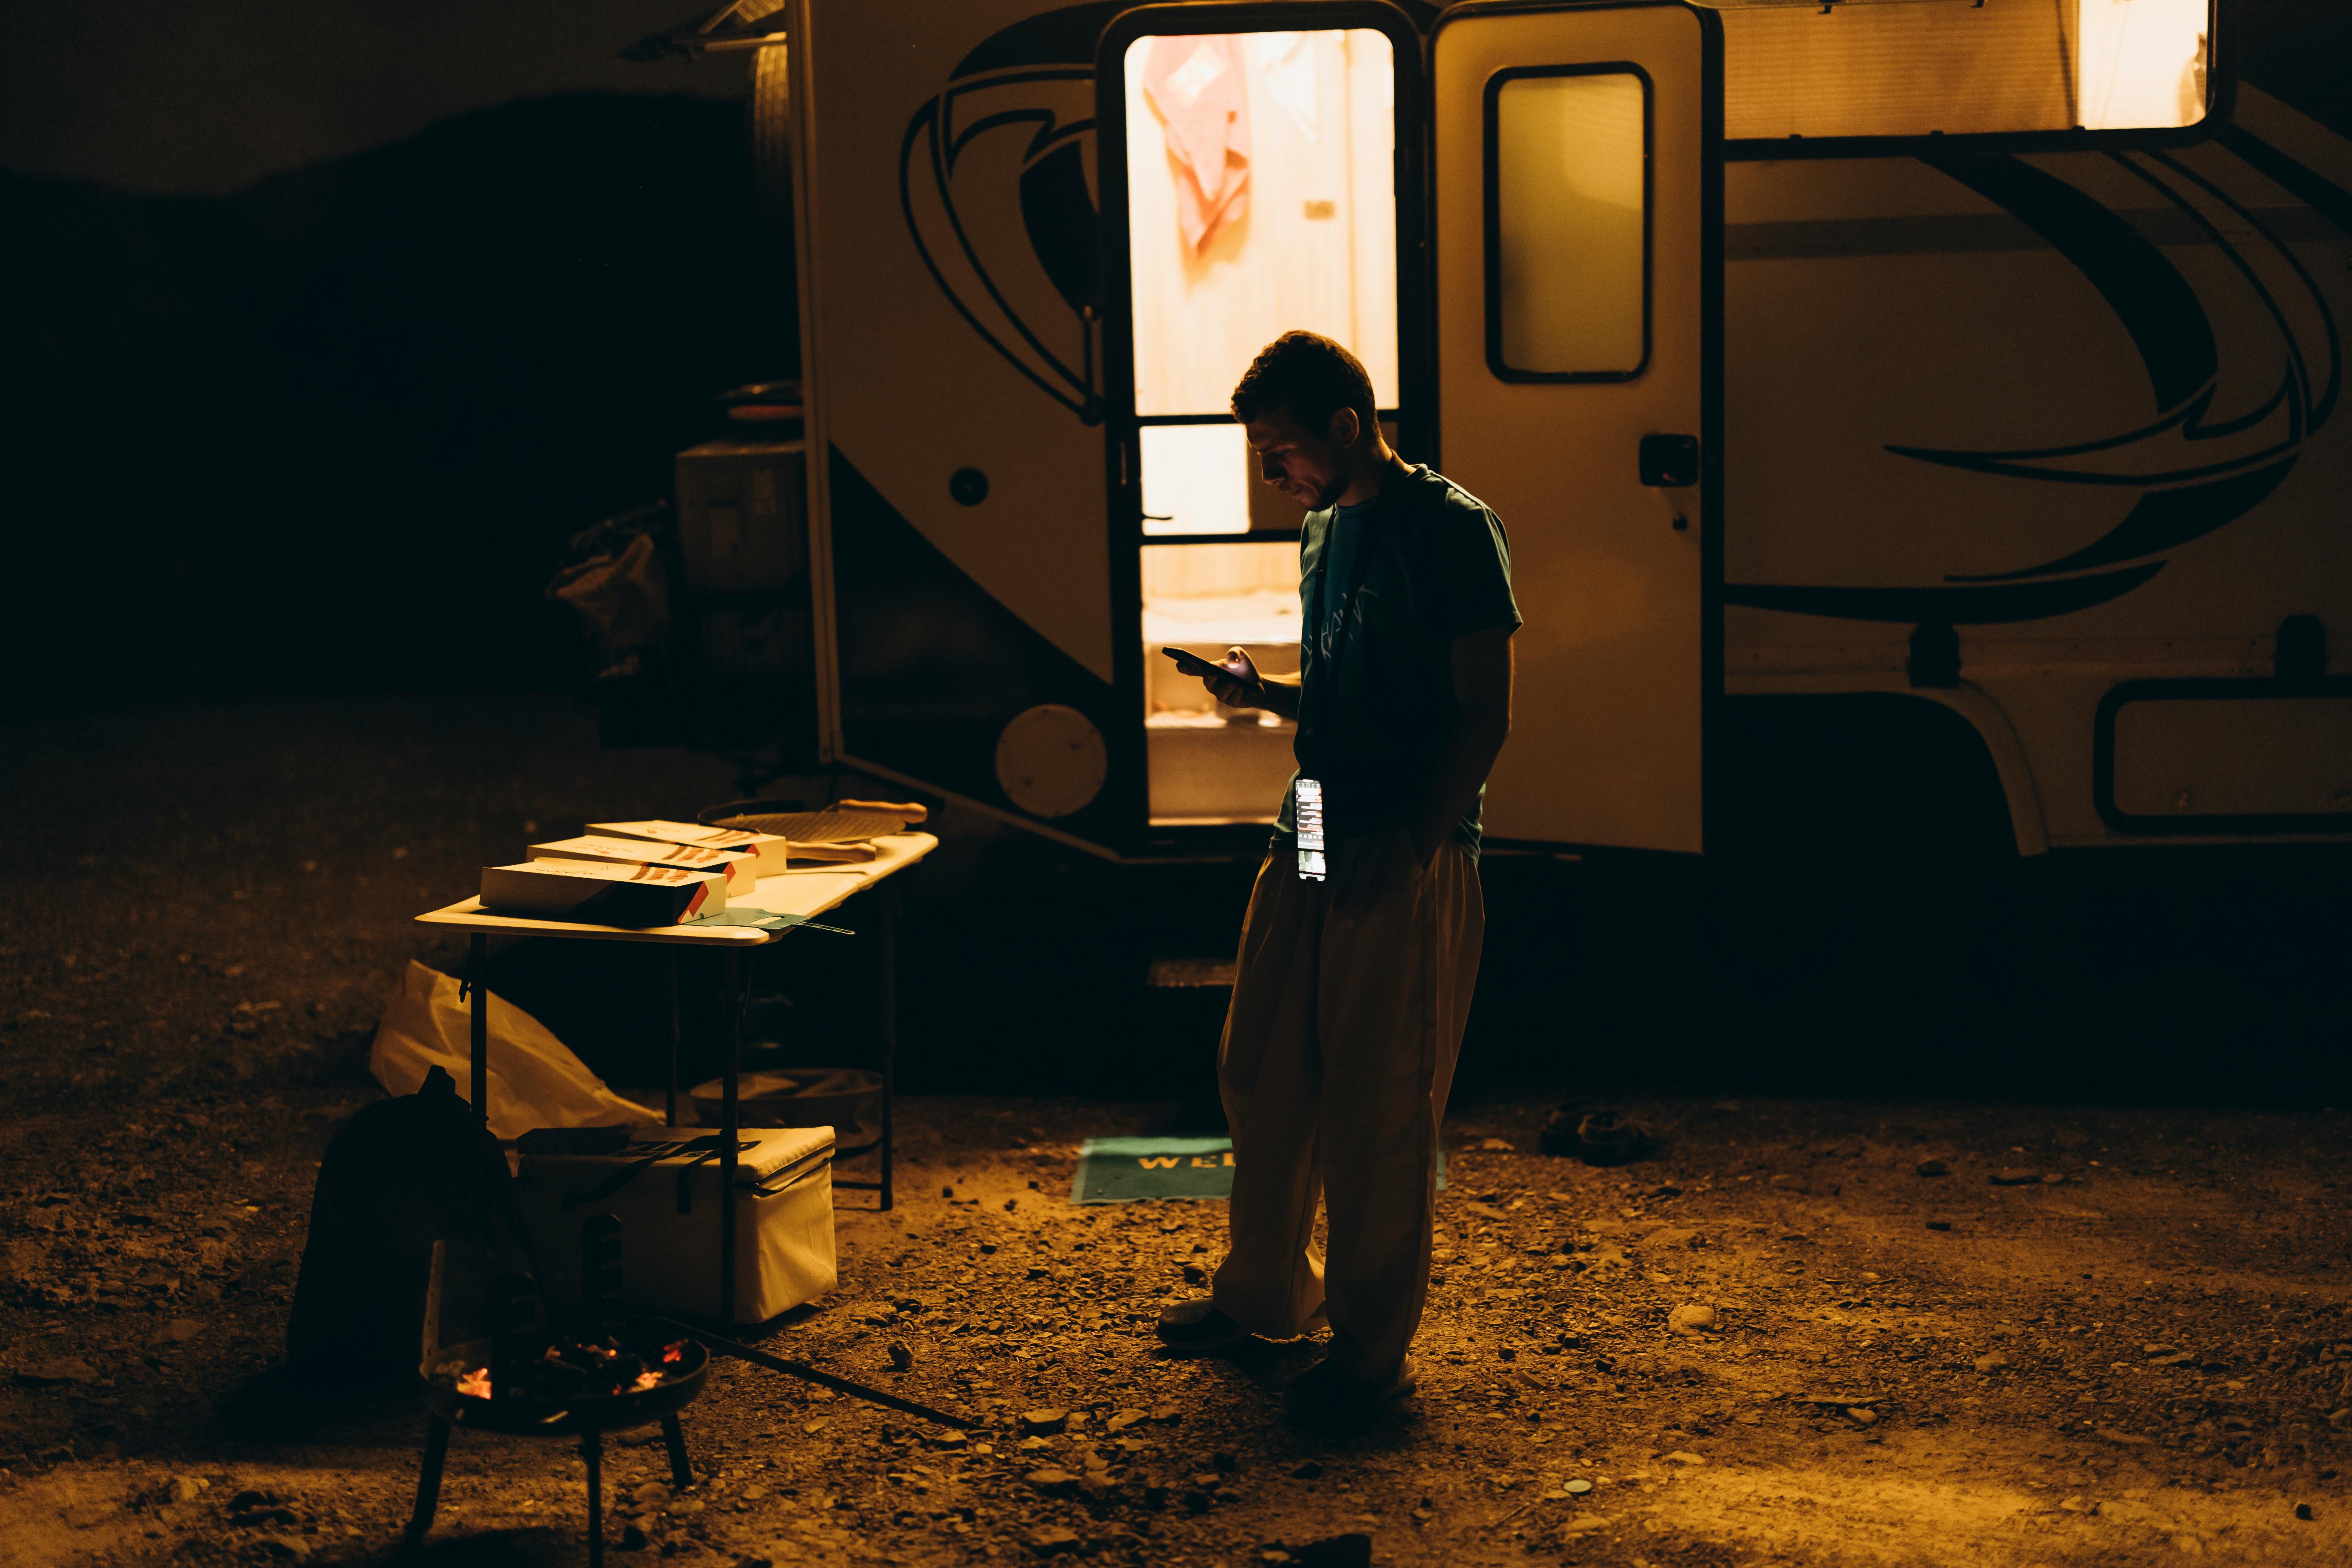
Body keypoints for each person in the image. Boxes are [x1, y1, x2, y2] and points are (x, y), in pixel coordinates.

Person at [1157, 330, 1519, 1420]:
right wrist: (1262, 693)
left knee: (1379, 1106)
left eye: (1281, 451)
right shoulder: (1323, 532)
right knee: (1264, 1062)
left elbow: (1485, 715)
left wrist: (1416, 848)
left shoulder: (1454, 530)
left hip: (1400, 841)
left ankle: (1367, 1355)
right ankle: (1265, 1292)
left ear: (1347, 428)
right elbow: (1343, 700)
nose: (1275, 475)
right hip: (1310, 822)